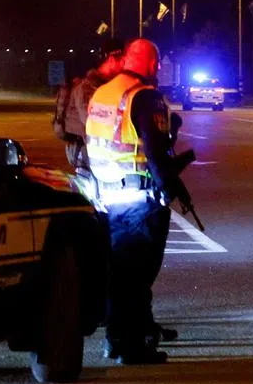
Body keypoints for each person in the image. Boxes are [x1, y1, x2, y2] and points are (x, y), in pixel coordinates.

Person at [86, 39, 191, 364]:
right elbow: (155, 152)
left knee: (118, 272)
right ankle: (131, 348)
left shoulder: (103, 94)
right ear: (153, 64)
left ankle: (118, 339)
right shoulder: (145, 96)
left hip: (107, 196)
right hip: (138, 200)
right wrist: (169, 189)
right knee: (137, 275)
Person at [56, 38, 125, 170]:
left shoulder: (106, 85)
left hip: (96, 152)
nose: (124, 66)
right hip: (85, 153)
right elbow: (93, 122)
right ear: (111, 60)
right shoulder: (89, 87)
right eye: (122, 61)